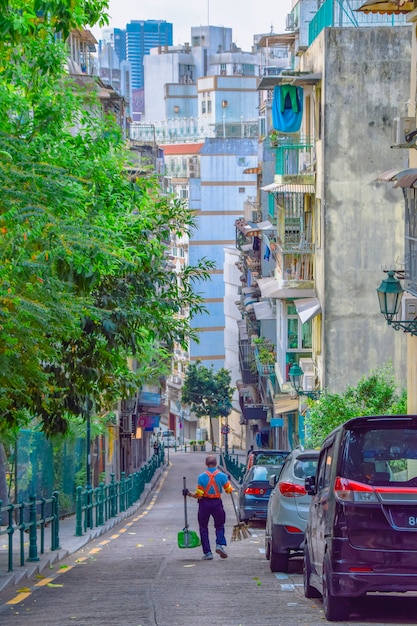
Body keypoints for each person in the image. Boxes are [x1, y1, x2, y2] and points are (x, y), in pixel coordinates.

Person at [185, 454, 233, 560]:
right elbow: (229, 491)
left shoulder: (201, 477)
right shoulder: (222, 476)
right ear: (216, 464)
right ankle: (219, 544)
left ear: (206, 464)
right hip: (217, 503)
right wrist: (227, 480)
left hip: (204, 504)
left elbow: (199, 495)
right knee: (219, 525)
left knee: (203, 528)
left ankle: (208, 553)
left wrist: (188, 493)